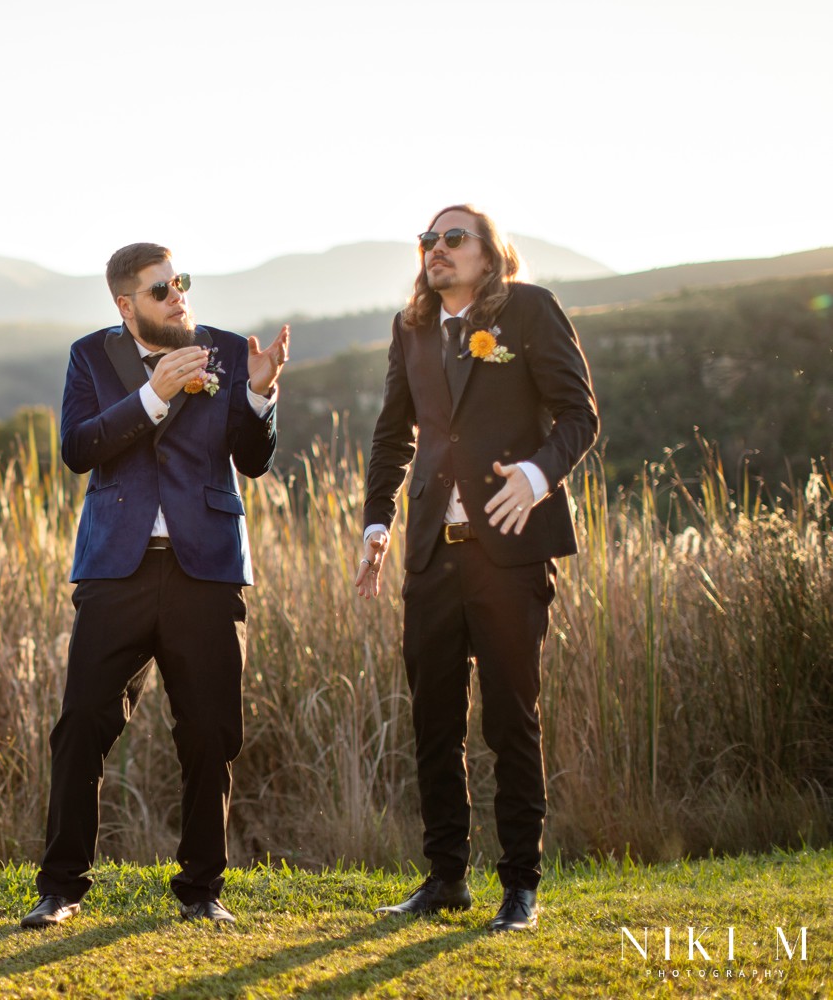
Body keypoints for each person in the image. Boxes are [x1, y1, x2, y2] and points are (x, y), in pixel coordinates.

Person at [20, 243, 289, 928]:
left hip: (207, 566)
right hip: (118, 568)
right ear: (125, 305)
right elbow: (78, 448)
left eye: (181, 284)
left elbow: (253, 462)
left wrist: (258, 394)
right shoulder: (91, 356)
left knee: (211, 731)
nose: (177, 297)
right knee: (82, 722)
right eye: (160, 289)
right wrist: (153, 394)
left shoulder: (226, 350)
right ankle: (61, 889)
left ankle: (202, 890)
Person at [355, 205, 598, 933]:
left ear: (490, 256)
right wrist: (377, 523)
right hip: (432, 550)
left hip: (510, 547)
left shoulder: (530, 310)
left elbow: (579, 415)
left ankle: (520, 887)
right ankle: (445, 880)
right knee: (433, 721)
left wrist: (538, 471)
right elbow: (394, 434)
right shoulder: (412, 328)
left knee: (510, 720)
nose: (436, 249)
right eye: (428, 240)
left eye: (453, 238)